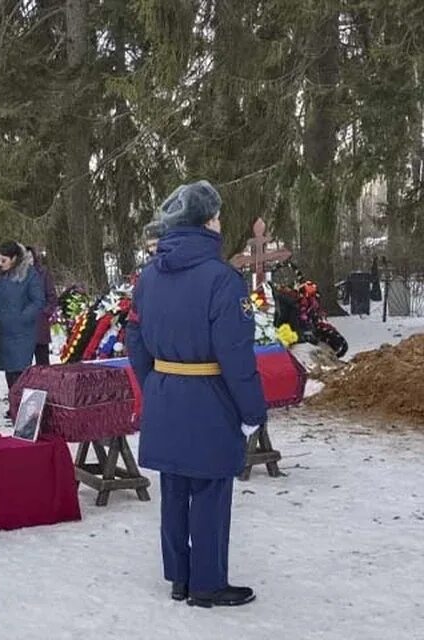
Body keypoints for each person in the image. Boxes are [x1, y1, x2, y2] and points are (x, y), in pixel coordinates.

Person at [127, 180, 267, 609]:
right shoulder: (222, 279)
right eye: (218, 214)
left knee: (174, 487)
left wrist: (156, 381)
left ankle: (180, 578)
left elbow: (134, 338)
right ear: (208, 221)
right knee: (209, 491)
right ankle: (207, 583)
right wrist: (252, 411)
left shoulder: (148, 277)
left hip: (166, 393)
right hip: (209, 397)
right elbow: (236, 355)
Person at [0, 242, 45, 396]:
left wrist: (22, 317)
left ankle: (19, 402)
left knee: (20, 369)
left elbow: (38, 300)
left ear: (14, 259)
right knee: (8, 368)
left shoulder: (28, 274)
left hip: (22, 330)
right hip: (1, 328)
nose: (0, 264)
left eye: (4, 260)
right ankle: (13, 399)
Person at [27, 246, 57, 366]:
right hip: (24, 328)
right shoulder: (17, 276)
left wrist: (45, 312)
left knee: (43, 363)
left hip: (40, 324)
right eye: (25, 257)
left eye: (30, 256)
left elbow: (52, 296)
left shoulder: (43, 273)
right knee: (22, 366)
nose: (28, 260)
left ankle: (45, 384)